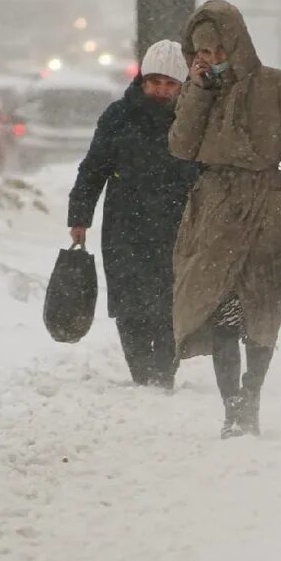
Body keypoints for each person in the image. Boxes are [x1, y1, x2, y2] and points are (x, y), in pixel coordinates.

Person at [169, 0, 281, 439]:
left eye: (218, 50)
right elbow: (181, 147)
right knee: (220, 306)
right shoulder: (197, 92)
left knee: (262, 306)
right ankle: (231, 406)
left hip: (267, 209)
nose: (211, 60)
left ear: (235, 44)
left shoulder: (276, 86)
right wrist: (199, 92)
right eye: (201, 53)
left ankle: (252, 393)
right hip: (215, 208)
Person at [68, 40, 198, 390]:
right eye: (155, 81)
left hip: (178, 224)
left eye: (170, 83)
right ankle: (142, 374)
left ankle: (164, 373)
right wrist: (80, 216)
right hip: (126, 224)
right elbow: (93, 168)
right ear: (142, 79)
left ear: (182, 85)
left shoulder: (193, 119)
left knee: (171, 302)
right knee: (129, 302)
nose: (161, 90)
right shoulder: (118, 116)